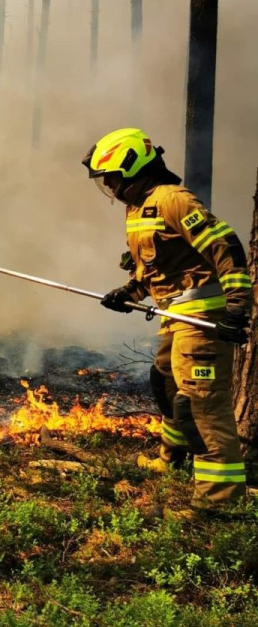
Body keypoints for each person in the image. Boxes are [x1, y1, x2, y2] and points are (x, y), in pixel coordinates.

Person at [83, 127, 253, 514]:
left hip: (201, 320)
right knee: (165, 381)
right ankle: (171, 460)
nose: (108, 186)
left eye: (111, 177)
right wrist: (129, 293)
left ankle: (219, 504)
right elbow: (158, 267)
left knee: (202, 406)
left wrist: (238, 306)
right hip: (174, 316)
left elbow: (225, 246)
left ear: (134, 166)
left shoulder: (173, 200)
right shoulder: (139, 207)